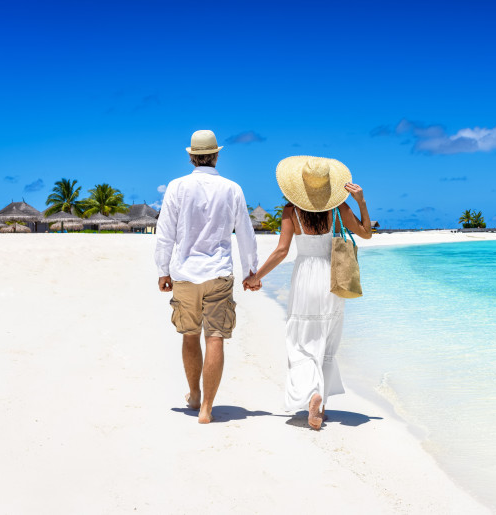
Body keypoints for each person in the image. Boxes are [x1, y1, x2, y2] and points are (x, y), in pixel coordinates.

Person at [246, 156, 371, 430]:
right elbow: (366, 233)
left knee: (301, 342)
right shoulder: (339, 208)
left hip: (305, 276)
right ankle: (321, 404)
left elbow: (281, 251)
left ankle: (312, 394)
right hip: (332, 277)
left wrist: (256, 277)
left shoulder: (291, 212)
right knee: (326, 341)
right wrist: (361, 201)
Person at [155, 129, 258, 424]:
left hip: (185, 274)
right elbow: (245, 234)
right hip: (219, 273)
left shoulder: (176, 187)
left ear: (191, 156)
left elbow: (165, 233)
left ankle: (194, 394)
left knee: (190, 335)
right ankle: (207, 409)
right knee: (215, 338)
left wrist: (163, 270)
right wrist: (251, 270)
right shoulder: (232, 188)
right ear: (216, 155)